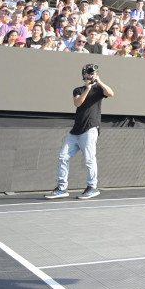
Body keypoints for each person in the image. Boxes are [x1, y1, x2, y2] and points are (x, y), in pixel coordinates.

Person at [45, 64, 115, 200]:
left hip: (90, 129)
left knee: (89, 160)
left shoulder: (99, 90)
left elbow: (111, 93)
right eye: (88, 73)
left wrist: (99, 81)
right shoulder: (78, 89)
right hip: (75, 131)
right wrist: (88, 88)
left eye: (93, 73)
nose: (90, 75)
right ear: (84, 75)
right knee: (63, 157)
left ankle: (92, 187)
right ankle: (61, 188)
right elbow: (78, 103)